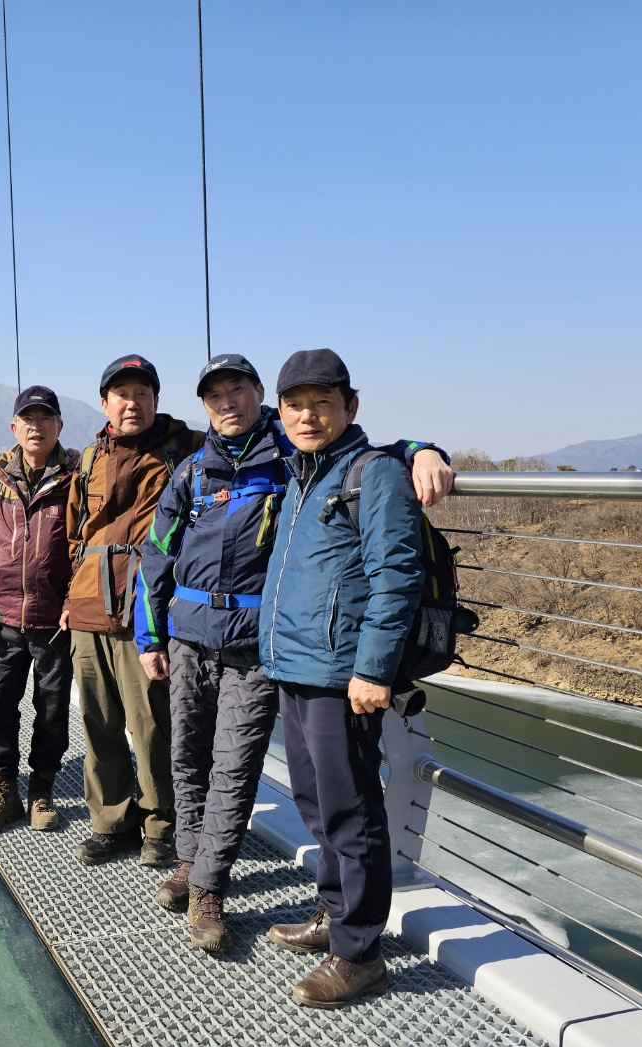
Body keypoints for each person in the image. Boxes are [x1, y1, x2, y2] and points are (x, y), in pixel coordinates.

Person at [137, 352, 451, 955]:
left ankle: (209, 887)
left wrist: (421, 448)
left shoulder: (289, 455)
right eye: (214, 395)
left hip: (259, 645)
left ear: (260, 395)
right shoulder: (191, 471)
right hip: (192, 636)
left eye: (237, 389)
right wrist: (151, 637)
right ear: (204, 406)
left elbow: (369, 454)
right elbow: (156, 555)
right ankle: (190, 862)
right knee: (188, 760)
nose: (227, 402)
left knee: (234, 769)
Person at [257, 348, 426, 1008]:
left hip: (342, 676)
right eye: (295, 406)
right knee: (315, 803)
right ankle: (333, 914)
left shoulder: (372, 473)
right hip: (295, 666)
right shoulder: (301, 474)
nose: (307, 416)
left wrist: (373, 669)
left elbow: (397, 576)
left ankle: (359, 954)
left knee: (352, 811)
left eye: (321, 403)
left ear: (350, 407)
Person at [61, 355, 202, 869]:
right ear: (105, 404)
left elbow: (260, 428)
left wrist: (416, 450)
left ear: (156, 400)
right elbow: (75, 533)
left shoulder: (187, 448)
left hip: (148, 610)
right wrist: (69, 599)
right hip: (88, 609)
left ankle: (162, 824)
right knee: (98, 723)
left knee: (152, 726)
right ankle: (111, 822)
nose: (132, 403)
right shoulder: (88, 459)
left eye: (143, 393)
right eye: (122, 394)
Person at [0, 385, 76, 835]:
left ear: (59, 426)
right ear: (14, 427)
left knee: (53, 710)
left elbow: (83, 547)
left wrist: (73, 602)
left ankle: (41, 789)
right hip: (3, 619)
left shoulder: (75, 477)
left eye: (45, 418)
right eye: (28, 419)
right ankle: (3, 791)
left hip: (54, 622)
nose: (36, 426)